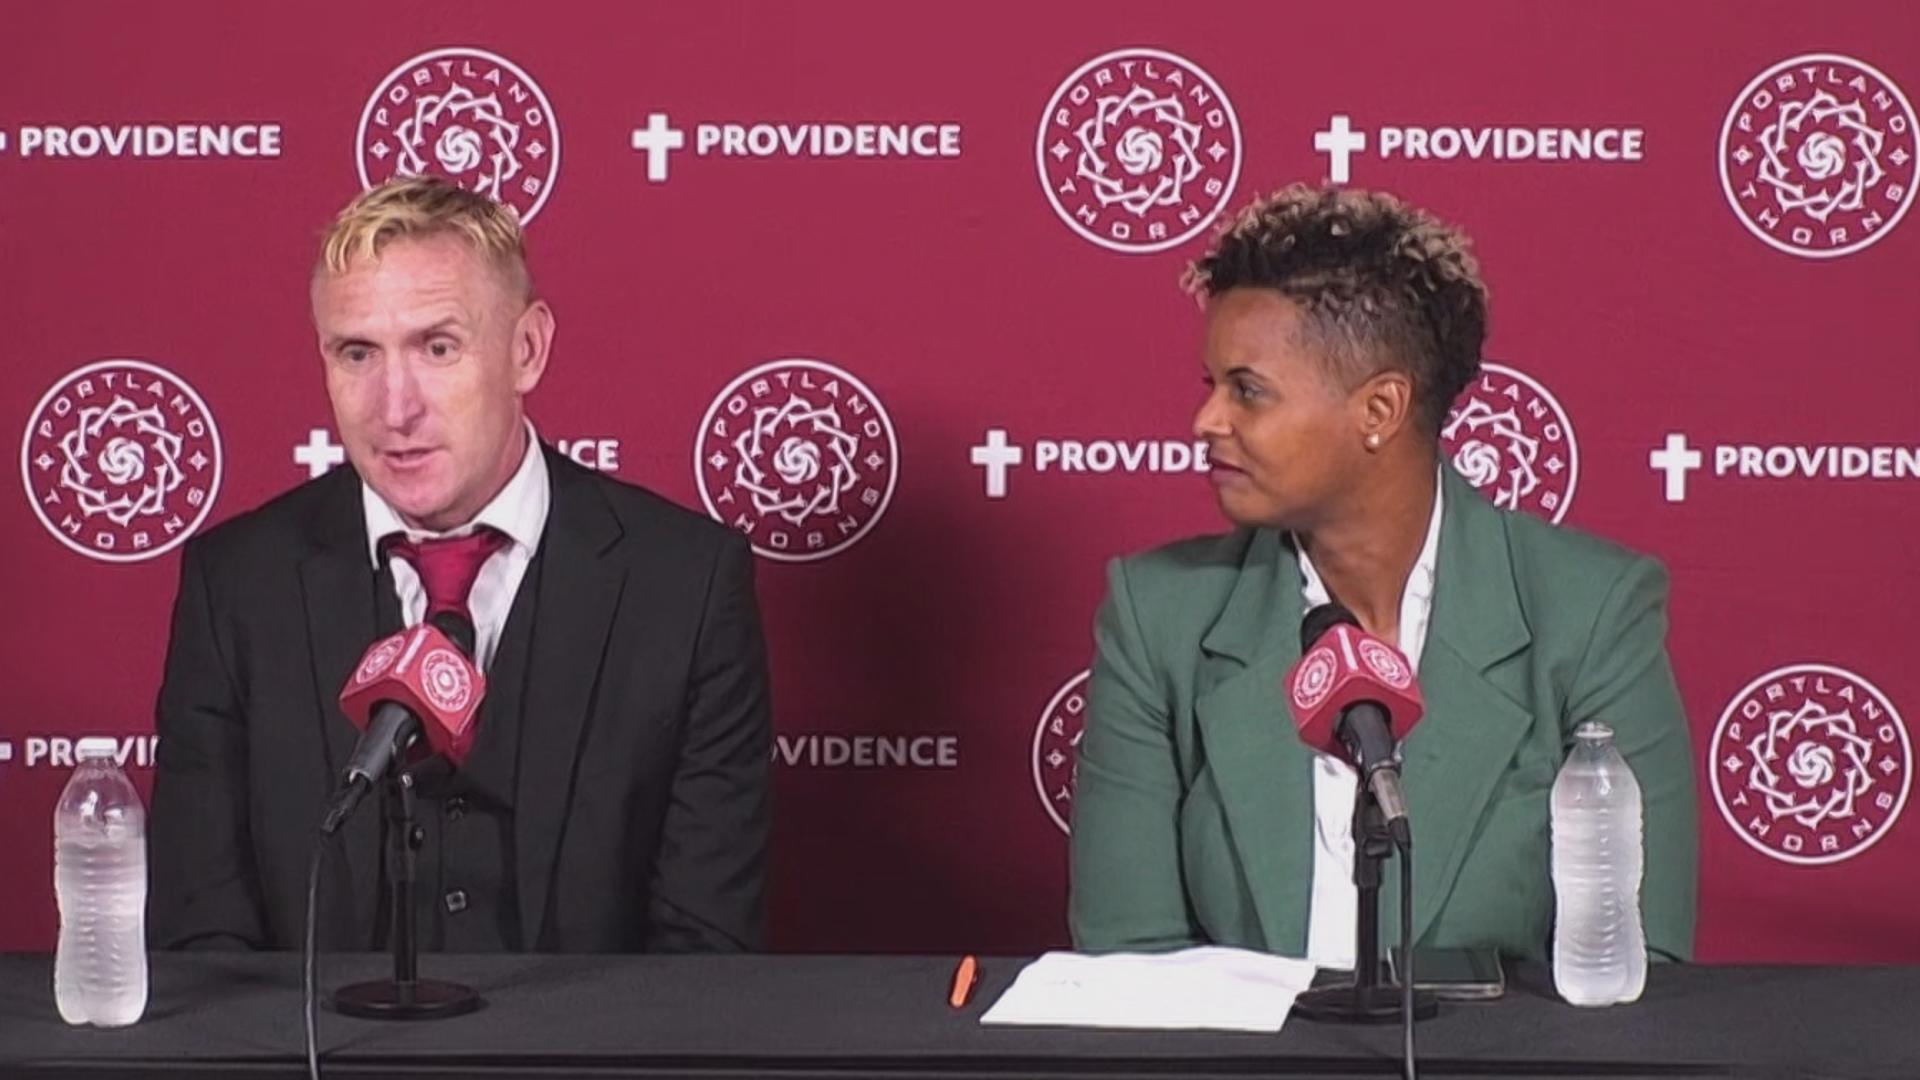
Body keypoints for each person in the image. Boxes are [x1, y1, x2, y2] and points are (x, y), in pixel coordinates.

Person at [1068, 184, 1696, 965]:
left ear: (1379, 410)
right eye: (1211, 387)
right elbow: (1127, 966)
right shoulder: (1158, 616)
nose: (1207, 422)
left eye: (1248, 391)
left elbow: (1641, 967)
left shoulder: (1592, 613)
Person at [148, 177, 771, 953]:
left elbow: (704, 949)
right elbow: (200, 938)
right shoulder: (236, 586)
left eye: (437, 348)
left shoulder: (686, 584)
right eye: (357, 354)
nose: (395, 407)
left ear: (527, 350)